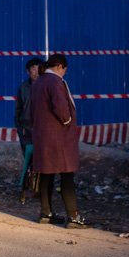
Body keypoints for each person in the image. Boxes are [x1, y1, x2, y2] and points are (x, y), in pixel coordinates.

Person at [31, 53, 88, 228]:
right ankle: (73, 215)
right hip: (59, 137)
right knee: (66, 174)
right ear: (60, 67)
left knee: (46, 174)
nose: (64, 74)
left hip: (42, 136)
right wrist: (67, 120)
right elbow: (60, 106)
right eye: (64, 70)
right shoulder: (55, 82)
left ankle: (45, 212)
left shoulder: (38, 81)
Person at [15, 58, 42, 154]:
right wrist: (19, 128)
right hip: (26, 129)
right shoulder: (23, 87)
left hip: (42, 129)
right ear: (28, 71)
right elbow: (18, 109)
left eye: (39, 69)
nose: (37, 72)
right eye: (34, 69)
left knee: (42, 159)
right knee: (28, 158)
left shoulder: (47, 87)